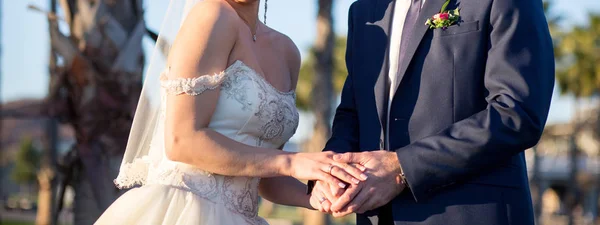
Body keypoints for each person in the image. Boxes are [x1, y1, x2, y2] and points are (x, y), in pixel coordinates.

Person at [95, 0, 366, 224]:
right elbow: (182, 142)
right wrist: (292, 162)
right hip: (186, 210)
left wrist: (319, 194)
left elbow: (263, 176)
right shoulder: (211, 16)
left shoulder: (287, 52)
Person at [309, 0, 555, 224]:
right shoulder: (363, 11)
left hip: (472, 214)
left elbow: (516, 113)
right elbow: (353, 112)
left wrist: (402, 168)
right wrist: (331, 171)